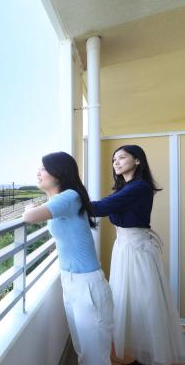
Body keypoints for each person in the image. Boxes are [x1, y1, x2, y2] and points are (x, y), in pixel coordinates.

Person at [91, 144, 185, 365]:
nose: (116, 162)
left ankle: (154, 354)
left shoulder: (139, 187)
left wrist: (68, 200)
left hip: (136, 250)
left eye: (122, 158)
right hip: (125, 248)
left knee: (145, 301)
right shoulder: (126, 188)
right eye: (114, 159)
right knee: (129, 300)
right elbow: (105, 207)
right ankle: (138, 350)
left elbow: (100, 208)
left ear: (138, 161)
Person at [23, 151, 113, 365]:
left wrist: (28, 208)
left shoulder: (70, 196)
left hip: (86, 285)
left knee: (95, 356)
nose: (38, 172)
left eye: (43, 168)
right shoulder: (61, 200)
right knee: (82, 351)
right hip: (70, 281)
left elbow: (29, 217)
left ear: (59, 173)